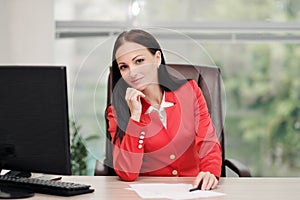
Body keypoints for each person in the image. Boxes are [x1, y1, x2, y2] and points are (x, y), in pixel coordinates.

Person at [106, 29, 222, 190]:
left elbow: (208, 142)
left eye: (139, 61)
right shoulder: (117, 111)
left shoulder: (190, 91)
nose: (132, 72)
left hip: (193, 189)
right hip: (149, 193)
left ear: (157, 58)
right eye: (124, 67)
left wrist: (210, 171)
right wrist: (136, 117)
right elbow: (127, 173)